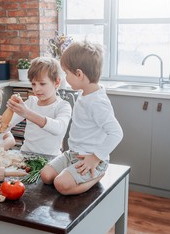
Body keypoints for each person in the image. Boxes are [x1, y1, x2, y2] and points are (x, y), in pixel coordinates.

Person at [40, 41, 123, 195]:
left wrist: (95, 158)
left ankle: (97, 175)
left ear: (79, 74)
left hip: (90, 160)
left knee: (60, 184)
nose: (65, 77)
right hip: (73, 154)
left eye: (66, 73)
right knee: (45, 175)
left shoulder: (97, 102)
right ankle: (78, 174)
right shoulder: (84, 92)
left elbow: (116, 133)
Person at [0, 56, 72, 156]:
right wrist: (0, 126)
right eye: (33, 84)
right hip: (26, 155)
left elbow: (59, 128)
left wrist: (27, 113)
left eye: (42, 84)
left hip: (51, 160)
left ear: (57, 82)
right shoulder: (31, 102)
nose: (37, 89)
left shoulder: (63, 106)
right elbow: (8, 126)